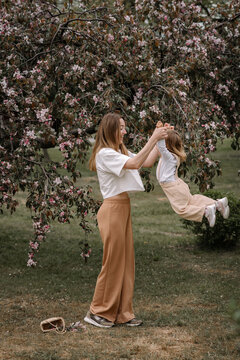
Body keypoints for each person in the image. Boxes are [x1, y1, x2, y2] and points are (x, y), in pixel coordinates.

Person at [84, 112, 168, 328]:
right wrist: (153, 137)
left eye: (124, 127)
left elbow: (146, 161)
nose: (125, 131)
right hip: (112, 210)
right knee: (112, 263)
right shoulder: (105, 154)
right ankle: (97, 312)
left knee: (125, 263)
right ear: (110, 129)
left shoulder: (118, 151)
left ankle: (123, 313)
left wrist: (161, 139)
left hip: (123, 208)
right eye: (121, 128)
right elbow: (135, 162)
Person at [155, 121, 230, 227]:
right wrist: (164, 130)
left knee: (182, 209)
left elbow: (161, 146)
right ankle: (217, 204)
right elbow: (160, 146)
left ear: (166, 144)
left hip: (172, 187)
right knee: (193, 200)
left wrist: (159, 133)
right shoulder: (171, 157)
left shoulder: (168, 157)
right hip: (179, 185)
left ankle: (206, 211)